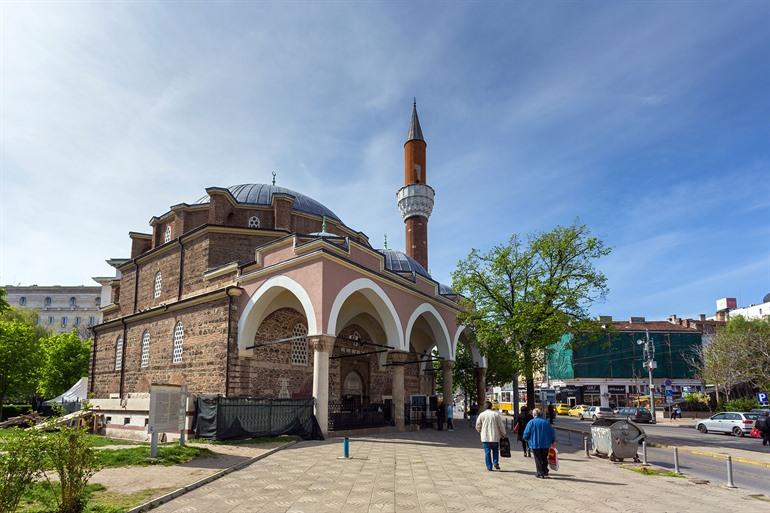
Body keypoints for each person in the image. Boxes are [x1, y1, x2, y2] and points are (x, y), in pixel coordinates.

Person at [522, 408, 556, 478]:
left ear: (534, 414)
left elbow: (526, 433)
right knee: (544, 458)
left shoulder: (531, 422)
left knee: (538, 458)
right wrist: (552, 441)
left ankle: (540, 472)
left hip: (535, 444)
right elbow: (552, 433)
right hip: (546, 444)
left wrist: (525, 438)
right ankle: (545, 471)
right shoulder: (546, 422)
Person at [476, 400, 507, 471]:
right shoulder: (496, 414)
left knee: (487, 452)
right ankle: (495, 462)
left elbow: (478, 425)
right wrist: (503, 433)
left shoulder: (482, 415)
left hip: (485, 437)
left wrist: (480, 431)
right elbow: (501, 425)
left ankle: (489, 467)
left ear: (485, 407)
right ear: (491, 406)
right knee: (495, 450)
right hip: (495, 436)